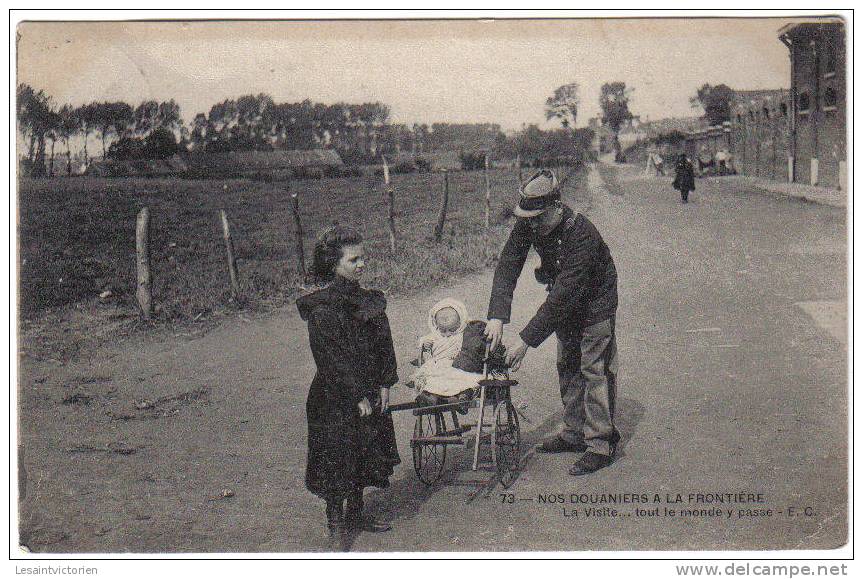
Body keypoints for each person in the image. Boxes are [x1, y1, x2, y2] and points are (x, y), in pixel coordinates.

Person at [484, 169, 620, 476]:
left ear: (557, 208)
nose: (531, 224)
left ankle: (600, 443)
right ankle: (574, 433)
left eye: (538, 218)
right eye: (527, 218)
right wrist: (497, 316)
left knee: (593, 368)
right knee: (567, 364)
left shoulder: (582, 233)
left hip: (595, 302)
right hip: (566, 300)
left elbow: (563, 295)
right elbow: (508, 265)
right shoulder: (531, 223)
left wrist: (525, 341)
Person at [296, 224, 401, 549]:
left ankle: (356, 513)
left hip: (369, 389)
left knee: (365, 451)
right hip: (334, 396)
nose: (361, 265)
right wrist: (355, 395)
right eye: (354, 260)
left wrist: (385, 383)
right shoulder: (323, 309)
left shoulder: (370, 302)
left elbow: (385, 345)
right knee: (337, 457)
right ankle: (336, 523)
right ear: (334, 264)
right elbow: (330, 359)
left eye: (363, 258)